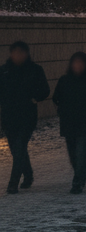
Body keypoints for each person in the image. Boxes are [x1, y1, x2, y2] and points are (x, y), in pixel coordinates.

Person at [0, 41, 50, 194]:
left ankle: (13, 182)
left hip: (27, 116)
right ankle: (28, 174)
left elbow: (45, 90)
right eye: (16, 52)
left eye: (21, 52)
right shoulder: (4, 71)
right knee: (17, 149)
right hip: (9, 116)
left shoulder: (35, 70)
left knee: (20, 146)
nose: (18, 55)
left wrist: (34, 98)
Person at [52, 52, 86, 194]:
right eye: (76, 63)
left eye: (81, 63)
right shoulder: (65, 80)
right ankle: (80, 175)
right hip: (69, 121)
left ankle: (78, 180)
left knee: (81, 151)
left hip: (84, 121)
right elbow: (56, 97)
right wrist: (62, 108)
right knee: (73, 153)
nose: (78, 66)